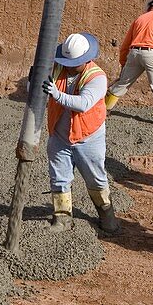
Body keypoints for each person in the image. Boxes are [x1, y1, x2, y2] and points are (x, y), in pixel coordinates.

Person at [42, 33, 120, 235]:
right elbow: (36, 88)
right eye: (65, 61)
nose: (68, 66)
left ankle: (106, 215)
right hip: (60, 135)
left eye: (73, 63)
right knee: (59, 178)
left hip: (88, 138)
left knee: (96, 179)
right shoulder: (58, 68)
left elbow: (83, 104)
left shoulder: (97, 78)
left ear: (86, 59)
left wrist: (56, 94)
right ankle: (62, 218)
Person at [103, 0, 153, 125]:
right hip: (152, 52)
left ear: (149, 7)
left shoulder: (139, 19)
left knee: (122, 83)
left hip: (133, 53)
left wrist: (123, 61)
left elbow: (126, 43)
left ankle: (104, 112)